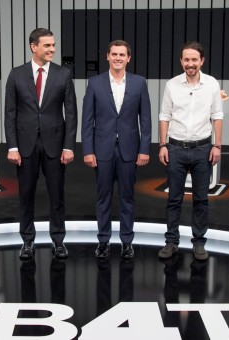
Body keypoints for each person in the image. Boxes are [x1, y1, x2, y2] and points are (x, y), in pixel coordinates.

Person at [4, 28, 78, 260]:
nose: (52, 49)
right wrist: (12, 147)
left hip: (55, 145)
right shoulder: (16, 74)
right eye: (47, 45)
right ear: (33, 46)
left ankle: (58, 241)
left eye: (53, 45)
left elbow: (71, 112)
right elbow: (10, 114)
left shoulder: (63, 74)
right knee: (26, 195)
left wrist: (69, 146)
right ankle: (27, 241)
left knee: (57, 195)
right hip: (25, 146)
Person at [81, 40, 151, 259]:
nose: (118, 58)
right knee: (103, 197)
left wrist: (145, 149)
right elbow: (87, 120)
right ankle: (103, 241)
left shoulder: (139, 83)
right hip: (102, 150)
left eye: (122, 54)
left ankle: (127, 242)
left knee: (127, 198)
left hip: (130, 150)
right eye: (114, 54)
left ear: (128, 58)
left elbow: (146, 119)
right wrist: (87, 150)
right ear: (107, 56)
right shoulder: (94, 83)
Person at [157, 41, 223, 261]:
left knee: (201, 199)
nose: (190, 63)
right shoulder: (172, 85)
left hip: (203, 148)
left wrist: (217, 145)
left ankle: (199, 243)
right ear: (181, 61)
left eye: (194, 59)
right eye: (186, 59)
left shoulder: (212, 84)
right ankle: (171, 242)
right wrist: (163, 145)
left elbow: (217, 116)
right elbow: (164, 116)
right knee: (174, 199)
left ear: (201, 61)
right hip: (175, 148)